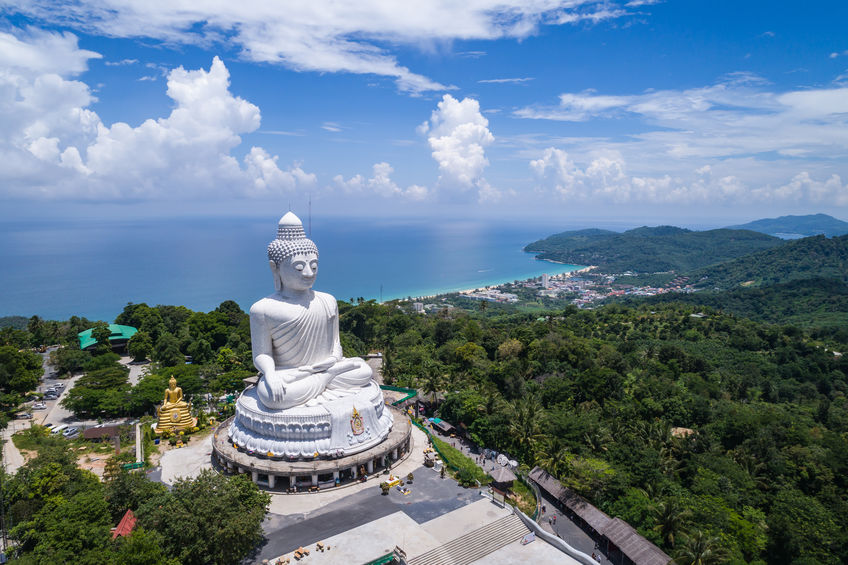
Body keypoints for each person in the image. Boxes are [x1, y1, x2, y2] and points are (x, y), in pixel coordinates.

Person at [250, 212, 373, 410]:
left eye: (314, 266)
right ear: (275, 268)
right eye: (299, 267)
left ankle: (325, 377)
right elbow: (261, 355)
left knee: (363, 371)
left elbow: (335, 344)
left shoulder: (327, 300)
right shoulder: (262, 309)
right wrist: (271, 375)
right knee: (271, 395)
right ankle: (326, 379)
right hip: (289, 374)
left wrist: (330, 361)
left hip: (325, 367)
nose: (309, 273)